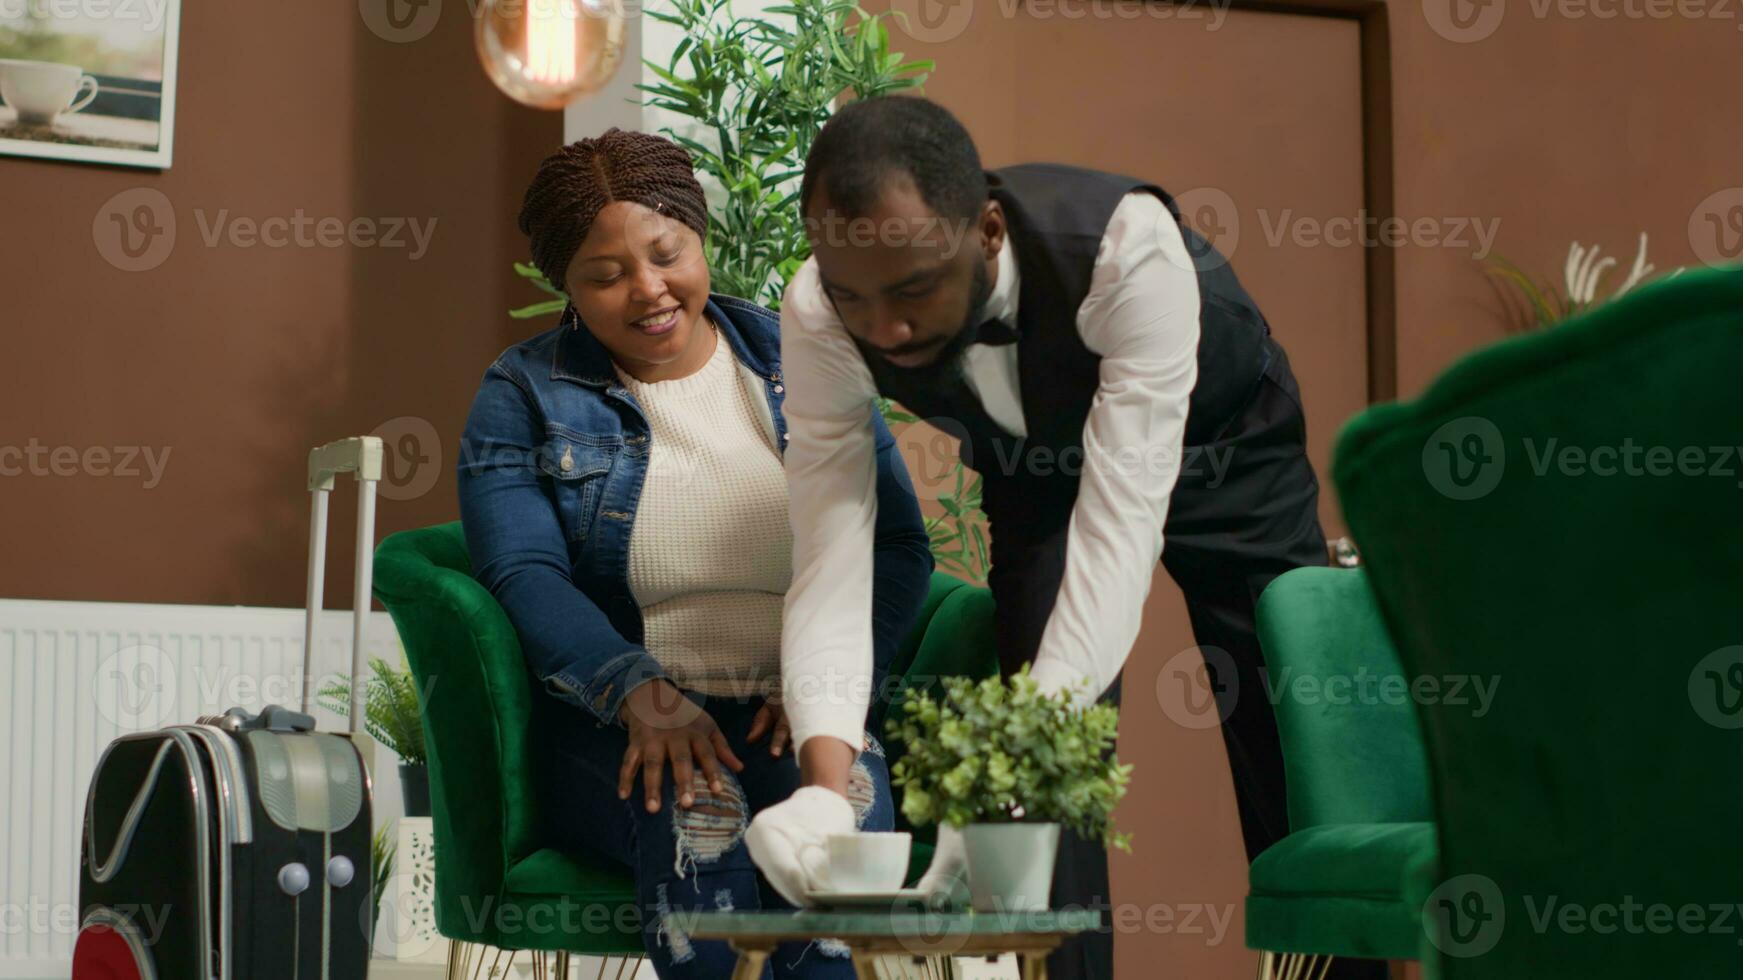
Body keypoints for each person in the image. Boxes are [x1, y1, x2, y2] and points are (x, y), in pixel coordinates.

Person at [745, 96, 1336, 980]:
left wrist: (1021, 738)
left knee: (1291, 728)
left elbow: (1120, 520)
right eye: (852, 294)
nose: (886, 330)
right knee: (1041, 797)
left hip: (1222, 444)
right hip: (1034, 471)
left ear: (986, 231)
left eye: (912, 289)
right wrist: (825, 788)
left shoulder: (1122, 249)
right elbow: (832, 551)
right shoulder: (819, 312)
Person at [457, 127, 935, 979]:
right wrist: (639, 692)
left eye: (665, 254)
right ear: (562, 285)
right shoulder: (523, 390)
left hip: (795, 709)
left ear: (699, 235)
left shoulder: (803, 360)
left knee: (837, 839)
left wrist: (830, 689)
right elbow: (521, 572)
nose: (647, 291)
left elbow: (894, 541)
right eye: (603, 277)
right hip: (625, 726)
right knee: (698, 820)